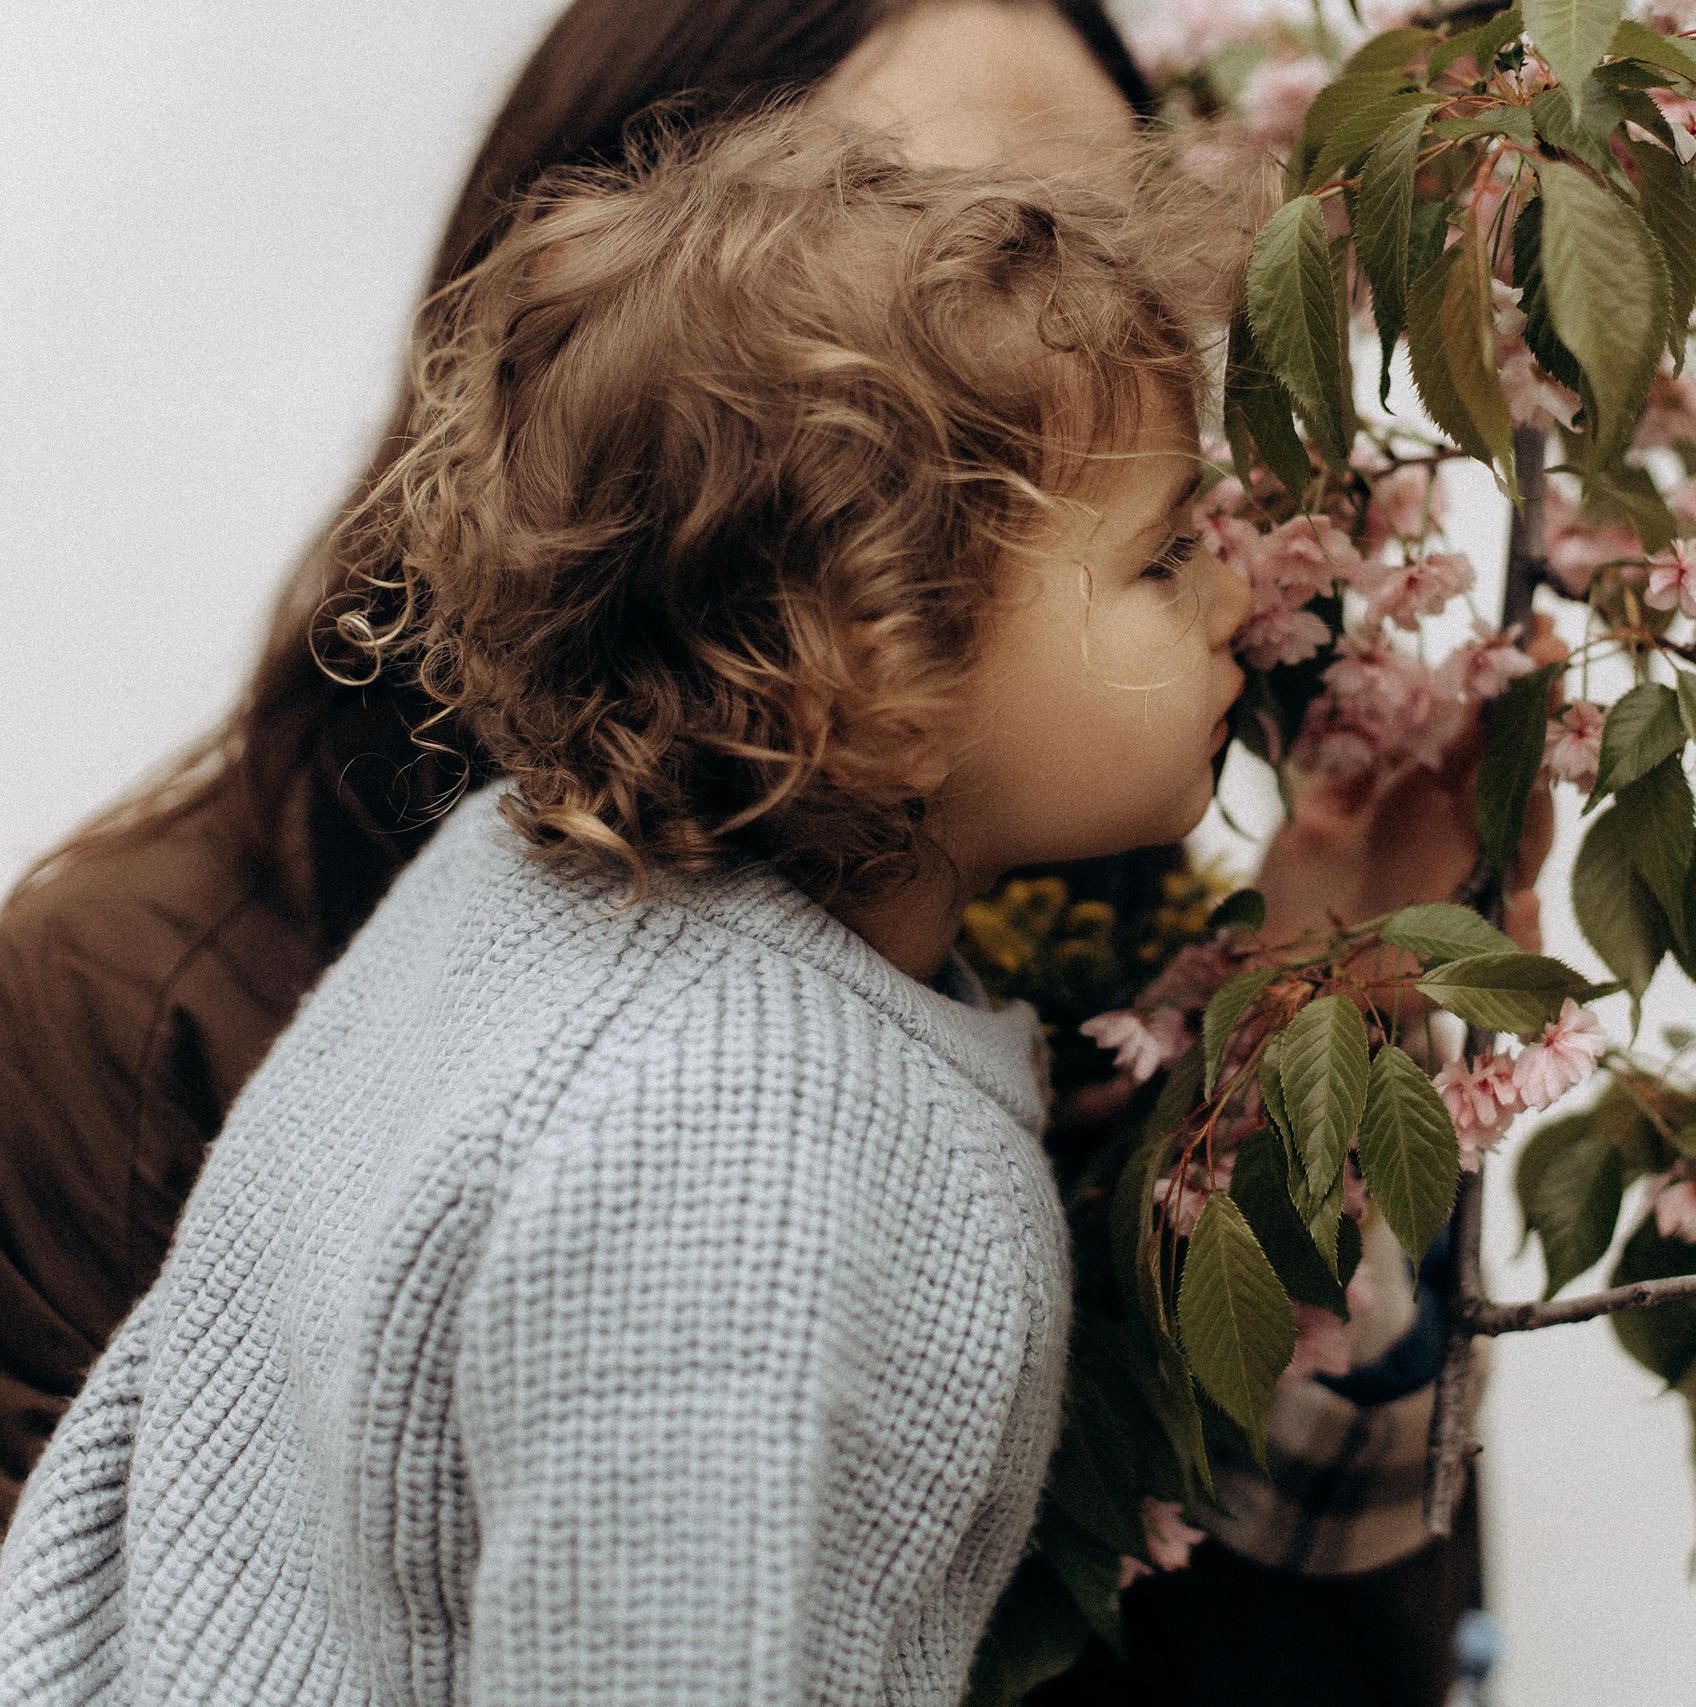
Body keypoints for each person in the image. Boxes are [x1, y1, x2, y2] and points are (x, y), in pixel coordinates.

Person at [0, 1, 1538, 1698]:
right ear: (848, 615)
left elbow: (1335, 1620)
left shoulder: (545, 895)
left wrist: (1294, 1031)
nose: (1247, 584)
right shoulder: (731, 1139)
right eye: (1162, 549)